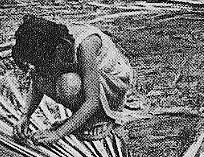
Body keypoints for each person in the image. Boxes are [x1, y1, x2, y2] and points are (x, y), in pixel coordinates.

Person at [11, 15, 133, 145]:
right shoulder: (51, 45)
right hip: (87, 78)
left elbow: (92, 101)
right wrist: (25, 116)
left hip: (112, 82)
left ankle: (100, 117)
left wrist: (57, 134)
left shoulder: (86, 45)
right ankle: (81, 118)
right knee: (42, 78)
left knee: (69, 84)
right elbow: (38, 79)